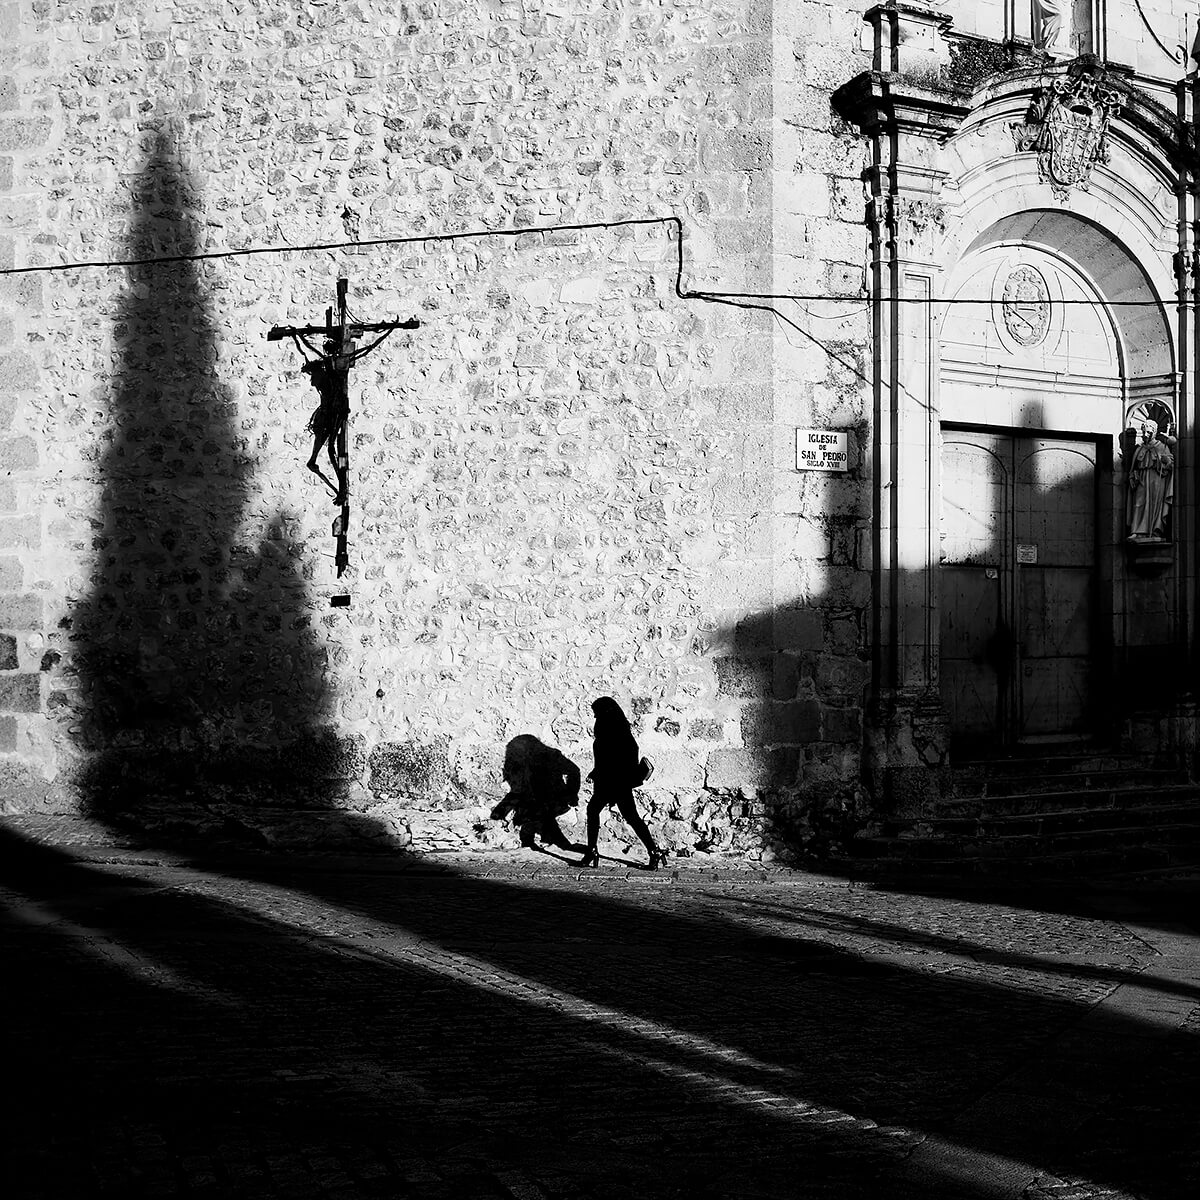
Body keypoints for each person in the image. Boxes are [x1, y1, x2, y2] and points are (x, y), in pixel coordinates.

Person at [579, 696, 667, 870]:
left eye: (597, 713)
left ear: (606, 712)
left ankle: (591, 852)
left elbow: (620, 758)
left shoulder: (617, 731)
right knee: (629, 817)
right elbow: (605, 758)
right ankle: (654, 851)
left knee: (604, 812)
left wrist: (609, 775)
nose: (595, 717)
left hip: (614, 783)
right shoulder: (612, 728)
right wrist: (596, 772)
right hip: (611, 781)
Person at [491, 735, 585, 852]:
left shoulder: (551, 756)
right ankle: (541, 841)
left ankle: (559, 844)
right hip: (538, 800)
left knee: (541, 813)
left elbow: (574, 771)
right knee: (538, 813)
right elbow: (521, 788)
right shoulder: (527, 761)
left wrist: (571, 793)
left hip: (553, 798)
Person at [1127, 418, 1176, 540]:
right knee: (1139, 503)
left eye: (1148, 432)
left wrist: (1166, 462)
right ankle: (1137, 531)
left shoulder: (1162, 447)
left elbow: (1170, 466)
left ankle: (1154, 530)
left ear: (1154, 432)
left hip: (1157, 479)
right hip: (1142, 480)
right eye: (1144, 432)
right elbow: (1133, 468)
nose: (1145, 435)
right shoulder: (1139, 449)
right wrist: (1133, 476)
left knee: (1155, 504)